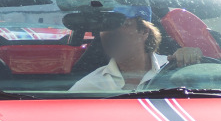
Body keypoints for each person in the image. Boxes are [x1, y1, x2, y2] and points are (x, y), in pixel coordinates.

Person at [69, 7, 202, 92]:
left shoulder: (174, 67)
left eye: (123, 24)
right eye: (107, 25)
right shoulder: (89, 86)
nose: (112, 32)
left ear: (144, 31)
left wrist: (193, 62)